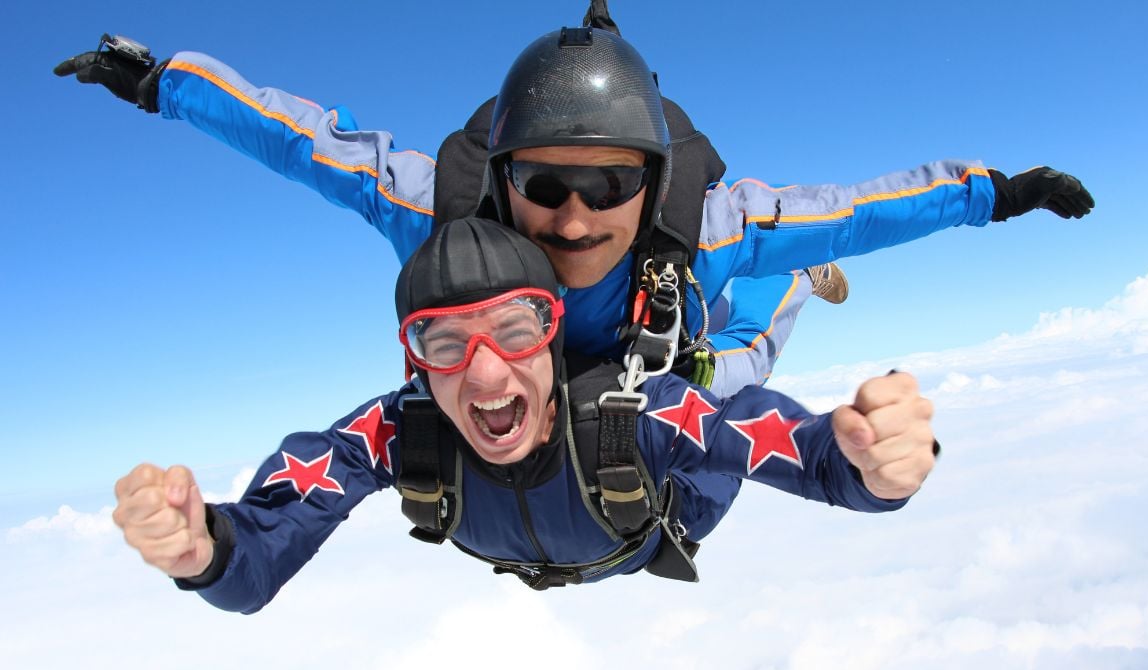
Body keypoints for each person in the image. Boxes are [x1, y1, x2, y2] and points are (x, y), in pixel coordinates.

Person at [55, 26, 1092, 396]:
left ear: (654, 177)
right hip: (586, 342)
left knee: (721, 368)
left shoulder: (721, 222)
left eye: (610, 185)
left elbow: (866, 208)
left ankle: (798, 291)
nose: (575, 217)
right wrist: (163, 81)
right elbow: (304, 138)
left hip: (700, 314)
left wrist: (997, 192)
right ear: (503, 176)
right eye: (545, 183)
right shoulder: (442, 213)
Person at [112, 218, 938, 608]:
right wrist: (205, 551)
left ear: (552, 336)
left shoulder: (638, 415)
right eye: (443, 343)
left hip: (674, 503)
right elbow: (256, 560)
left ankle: (795, 271)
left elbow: (787, 444)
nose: (482, 369)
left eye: (514, 329)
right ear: (412, 362)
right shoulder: (402, 434)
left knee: (740, 352)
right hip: (614, 534)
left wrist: (869, 465)